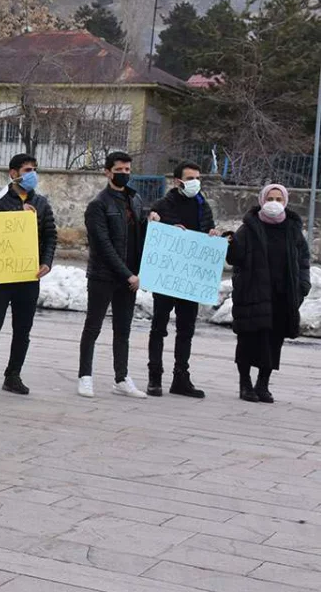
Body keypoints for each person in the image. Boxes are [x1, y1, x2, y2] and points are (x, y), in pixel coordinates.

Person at [0, 153, 56, 395]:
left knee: (23, 329)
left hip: (28, 276)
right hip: (0, 276)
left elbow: (51, 235)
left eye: (34, 170)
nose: (32, 175)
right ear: (13, 173)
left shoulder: (41, 203)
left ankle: (13, 375)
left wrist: (46, 262)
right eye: (27, 170)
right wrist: (17, 214)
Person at [78, 151, 156, 399]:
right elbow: (103, 245)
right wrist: (126, 274)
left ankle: (121, 378)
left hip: (129, 278)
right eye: (119, 170)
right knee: (93, 326)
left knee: (123, 330)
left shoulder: (135, 200)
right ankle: (85, 377)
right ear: (107, 172)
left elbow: (137, 234)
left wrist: (152, 220)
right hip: (104, 276)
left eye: (127, 170)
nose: (124, 174)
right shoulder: (98, 205)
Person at [227, 185, 311, 403]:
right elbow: (235, 257)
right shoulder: (249, 227)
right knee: (248, 340)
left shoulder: (293, 228)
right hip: (253, 294)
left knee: (274, 341)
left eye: (279, 198)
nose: (274, 202)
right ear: (262, 200)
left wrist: (303, 285)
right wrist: (228, 243)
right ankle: (245, 384)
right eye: (270, 198)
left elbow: (303, 259)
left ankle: (262, 384)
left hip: (281, 296)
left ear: (286, 202)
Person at [147, 161, 218, 398]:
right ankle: (154, 376)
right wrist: (158, 222)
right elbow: (152, 231)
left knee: (186, 329)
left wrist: (212, 235)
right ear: (178, 181)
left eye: (197, 177)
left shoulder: (202, 206)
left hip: (191, 278)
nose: (195, 182)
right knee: (159, 327)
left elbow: (209, 230)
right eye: (190, 178)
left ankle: (181, 377)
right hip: (167, 278)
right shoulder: (163, 205)